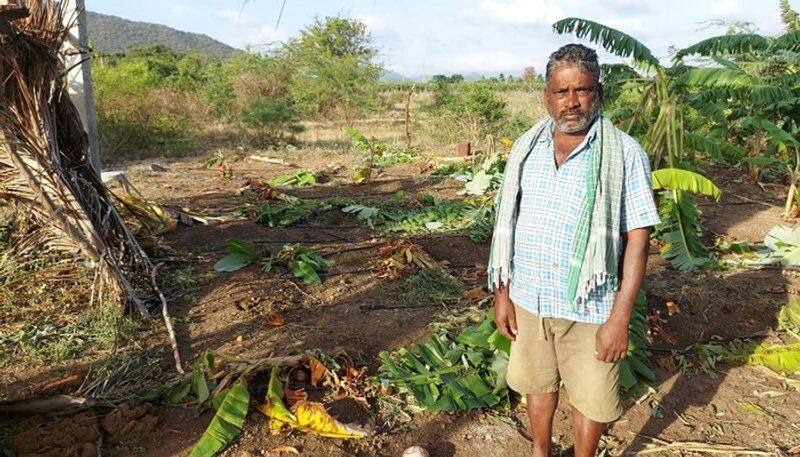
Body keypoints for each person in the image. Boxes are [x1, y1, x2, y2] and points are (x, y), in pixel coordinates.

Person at [488, 43, 660, 457]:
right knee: (536, 384)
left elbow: (638, 240)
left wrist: (620, 318)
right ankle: (541, 452)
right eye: (561, 92)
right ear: (547, 95)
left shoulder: (624, 153)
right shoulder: (526, 148)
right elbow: (507, 223)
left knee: (591, 397)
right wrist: (503, 294)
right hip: (529, 297)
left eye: (581, 90)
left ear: (597, 92)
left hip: (590, 306)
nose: (571, 102)